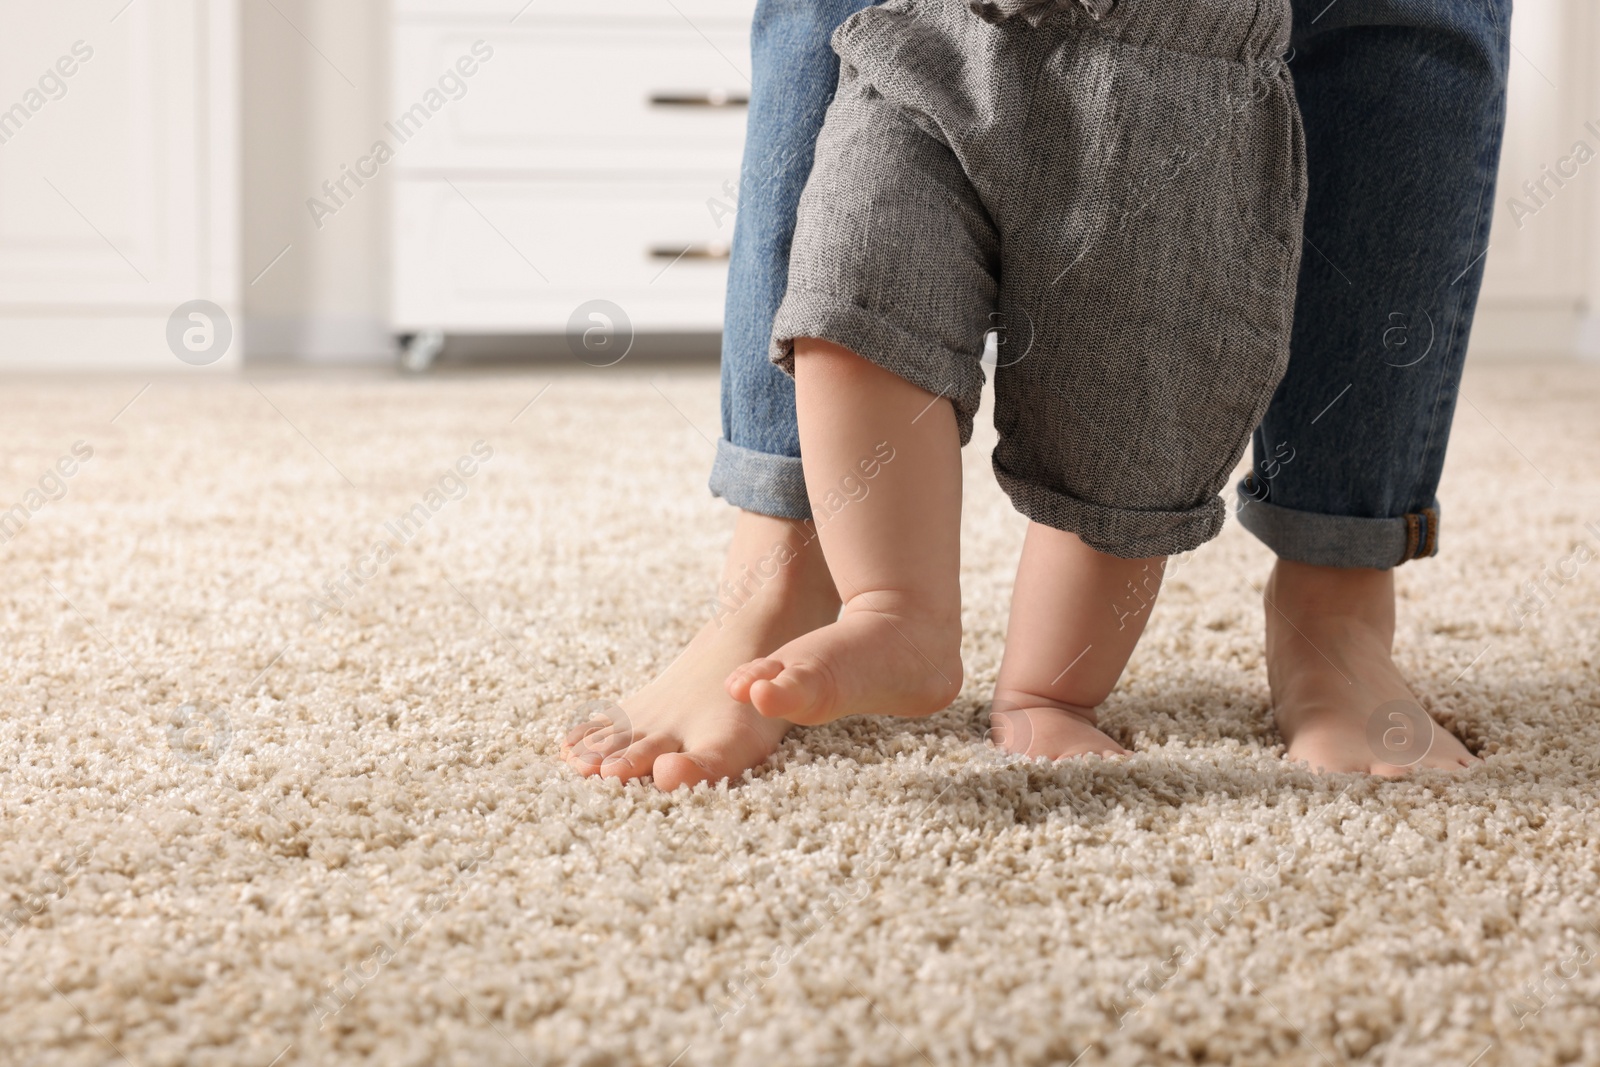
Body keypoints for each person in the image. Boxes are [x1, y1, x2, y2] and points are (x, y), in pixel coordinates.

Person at [562, 0, 1509, 788]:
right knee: (853, 287)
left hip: (1182, 87)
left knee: (1127, 440)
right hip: (934, 36)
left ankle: (1063, 689)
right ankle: (889, 610)